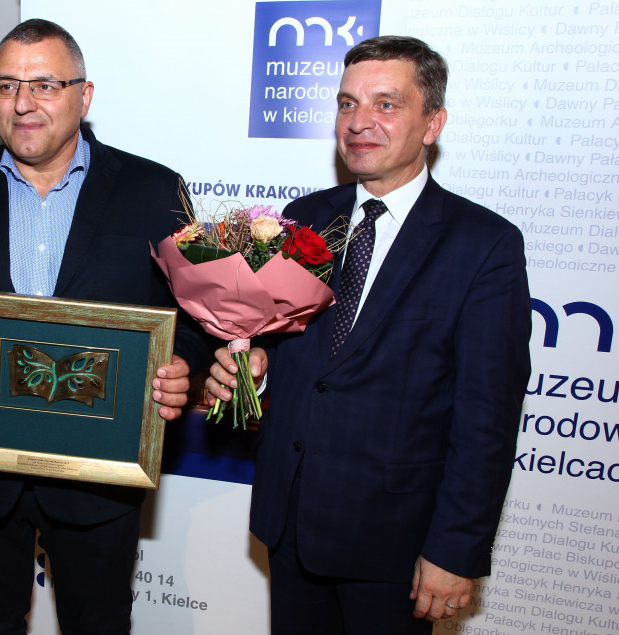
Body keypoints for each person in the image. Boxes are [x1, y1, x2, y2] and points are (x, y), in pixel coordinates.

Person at [0, 18, 209, 635]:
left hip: (99, 479)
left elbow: (192, 313)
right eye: (6, 85)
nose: (23, 103)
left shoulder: (153, 190)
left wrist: (182, 367)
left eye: (45, 85)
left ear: (84, 96)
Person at [205, 36, 531, 634]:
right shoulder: (302, 219)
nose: (358, 123)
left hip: (396, 544)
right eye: (347, 103)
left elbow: (487, 419)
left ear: (433, 123)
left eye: (386, 104)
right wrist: (253, 370)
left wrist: (455, 550)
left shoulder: (484, 244)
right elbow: (289, 351)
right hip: (291, 521)